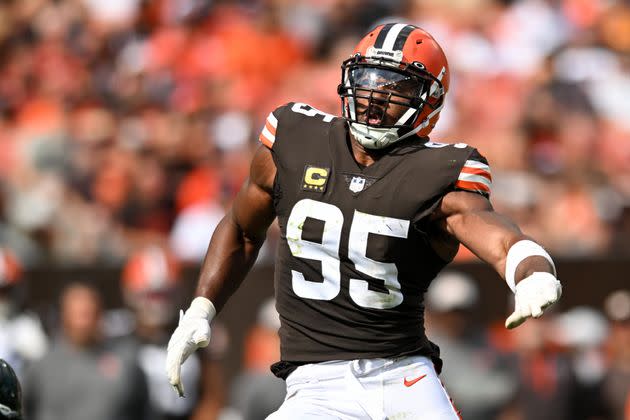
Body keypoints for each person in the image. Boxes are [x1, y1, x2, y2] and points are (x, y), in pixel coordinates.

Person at [166, 23, 563, 419]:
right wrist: (202, 308)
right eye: (369, 79)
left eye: (395, 87)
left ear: (429, 101)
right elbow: (241, 229)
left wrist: (530, 272)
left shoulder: (438, 171)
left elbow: (498, 237)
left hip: (404, 377)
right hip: (316, 385)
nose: (375, 96)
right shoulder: (295, 137)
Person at [120, 245, 227, 420]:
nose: (158, 304)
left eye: (165, 294)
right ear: (132, 294)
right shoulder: (117, 338)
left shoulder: (196, 334)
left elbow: (213, 398)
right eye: (152, 296)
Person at [23, 283, 151, 420]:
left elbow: (143, 407)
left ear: (100, 313)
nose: (83, 321)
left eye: (89, 313)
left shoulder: (125, 361)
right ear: (63, 314)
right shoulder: (41, 366)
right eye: (78, 313)